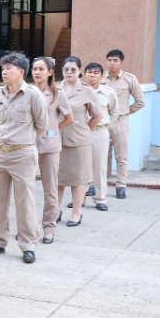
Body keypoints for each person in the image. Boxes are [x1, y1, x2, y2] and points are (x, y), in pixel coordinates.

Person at [0, 52, 47, 263]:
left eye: (8, 68)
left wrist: (25, 142)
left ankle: (28, 246)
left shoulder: (33, 94)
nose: (4, 72)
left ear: (21, 72)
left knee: (25, 201)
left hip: (22, 154)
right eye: (3, 68)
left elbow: (42, 125)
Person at [56, 57, 102, 226]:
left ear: (79, 71)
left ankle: (76, 212)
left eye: (73, 70)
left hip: (78, 140)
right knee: (57, 178)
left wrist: (85, 129)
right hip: (57, 139)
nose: (69, 72)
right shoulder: (54, 88)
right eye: (66, 69)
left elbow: (97, 115)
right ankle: (56, 210)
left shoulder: (86, 90)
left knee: (78, 178)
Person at [32, 57, 72, 245]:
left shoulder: (57, 94)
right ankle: (28, 228)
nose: (37, 72)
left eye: (41, 69)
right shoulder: (27, 92)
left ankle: (49, 228)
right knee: (26, 191)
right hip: (28, 146)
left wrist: (53, 130)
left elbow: (69, 119)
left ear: (49, 72)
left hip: (49, 147)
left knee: (50, 189)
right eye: (34, 69)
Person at [104, 50, 144, 199]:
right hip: (102, 122)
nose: (112, 63)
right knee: (98, 155)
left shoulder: (129, 79)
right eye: (109, 60)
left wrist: (125, 112)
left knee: (121, 156)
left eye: (115, 60)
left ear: (122, 62)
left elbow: (140, 102)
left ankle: (120, 186)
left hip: (120, 121)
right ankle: (95, 184)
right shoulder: (100, 77)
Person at [84, 62, 121, 211]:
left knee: (99, 166)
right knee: (80, 167)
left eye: (95, 73)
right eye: (89, 72)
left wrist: (103, 123)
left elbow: (114, 112)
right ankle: (78, 199)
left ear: (101, 76)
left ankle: (100, 199)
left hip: (99, 132)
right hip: (80, 133)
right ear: (84, 74)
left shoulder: (108, 92)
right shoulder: (78, 91)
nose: (92, 75)